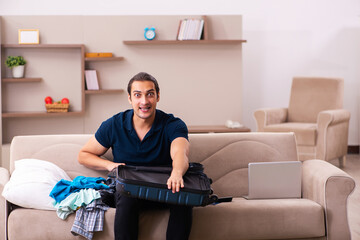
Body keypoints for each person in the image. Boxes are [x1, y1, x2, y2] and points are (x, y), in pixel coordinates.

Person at [78, 72, 193, 240]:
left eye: (150, 94)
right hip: (130, 191)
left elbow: (180, 152)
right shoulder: (114, 124)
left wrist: (176, 173)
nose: (144, 101)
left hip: (164, 189)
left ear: (158, 96)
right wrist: (110, 165)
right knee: (125, 194)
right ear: (130, 98)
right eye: (138, 95)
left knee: (185, 198)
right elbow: (83, 155)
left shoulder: (173, 124)